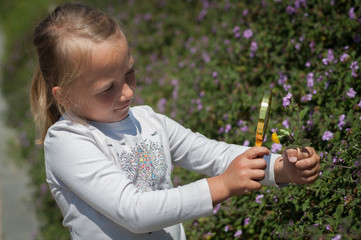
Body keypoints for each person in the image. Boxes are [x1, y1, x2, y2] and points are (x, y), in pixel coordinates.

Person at [30, 3, 320, 240]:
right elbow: (134, 212)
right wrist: (222, 186)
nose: (128, 92)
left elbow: (214, 154)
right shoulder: (67, 141)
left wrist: (281, 168)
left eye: (129, 73)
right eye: (108, 88)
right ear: (66, 96)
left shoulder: (148, 120)